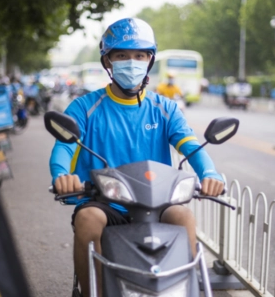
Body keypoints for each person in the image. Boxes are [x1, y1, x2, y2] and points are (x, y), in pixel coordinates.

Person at [49, 18, 225, 297]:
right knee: (88, 220)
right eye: (122, 55)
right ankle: (91, 291)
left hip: (156, 204)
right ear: (108, 61)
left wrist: (210, 174)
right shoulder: (85, 106)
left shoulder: (164, 108)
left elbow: (190, 145)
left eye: (140, 55)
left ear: (149, 60)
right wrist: (61, 175)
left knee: (184, 217)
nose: (131, 62)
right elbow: (64, 146)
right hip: (106, 204)